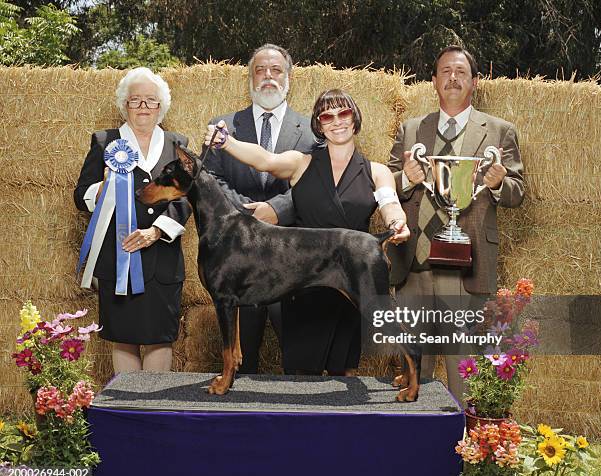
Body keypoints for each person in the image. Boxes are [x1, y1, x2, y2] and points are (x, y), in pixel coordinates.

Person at [205, 89, 410, 376]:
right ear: (319, 124)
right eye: (328, 115)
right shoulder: (301, 163)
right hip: (303, 284)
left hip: (351, 279)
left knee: (344, 378)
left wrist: (397, 223)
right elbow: (263, 160)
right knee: (301, 376)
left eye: (344, 113)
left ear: (355, 118)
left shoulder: (377, 172)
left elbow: (391, 206)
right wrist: (228, 142)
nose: (337, 121)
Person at [386, 45, 524, 403]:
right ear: (433, 81)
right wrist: (406, 179)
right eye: (445, 71)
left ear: (474, 82)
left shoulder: (500, 131)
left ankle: (462, 448)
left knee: (462, 366)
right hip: (414, 266)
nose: (453, 78)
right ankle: (413, 447)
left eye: (461, 72)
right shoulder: (412, 128)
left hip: (467, 265)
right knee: (414, 364)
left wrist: (496, 183)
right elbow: (387, 185)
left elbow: (517, 191)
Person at [202, 43, 319, 374]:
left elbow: (317, 187)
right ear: (250, 78)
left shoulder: (312, 130)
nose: (268, 77)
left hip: (292, 262)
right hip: (239, 263)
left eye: (276, 70)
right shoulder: (223, 126)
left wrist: (277, 209)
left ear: (289, 78)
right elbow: (208, 179)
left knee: (302, 364)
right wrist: (243, 212)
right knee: (242, 364)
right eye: (260, 70)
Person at [74, 67, 191, 373]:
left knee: (159, 338)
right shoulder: (104, 142)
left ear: (161, 106)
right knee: (123, 337)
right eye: (135, 100)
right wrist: (101, 189)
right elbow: (80, 196)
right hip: (118, 257)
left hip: (162, 257)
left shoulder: (178, 144)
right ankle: (128, 412)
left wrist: (156, 231)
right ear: (124, 105)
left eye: (150, 101)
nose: (143, 107)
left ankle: (154, 409)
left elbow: (187, 198)